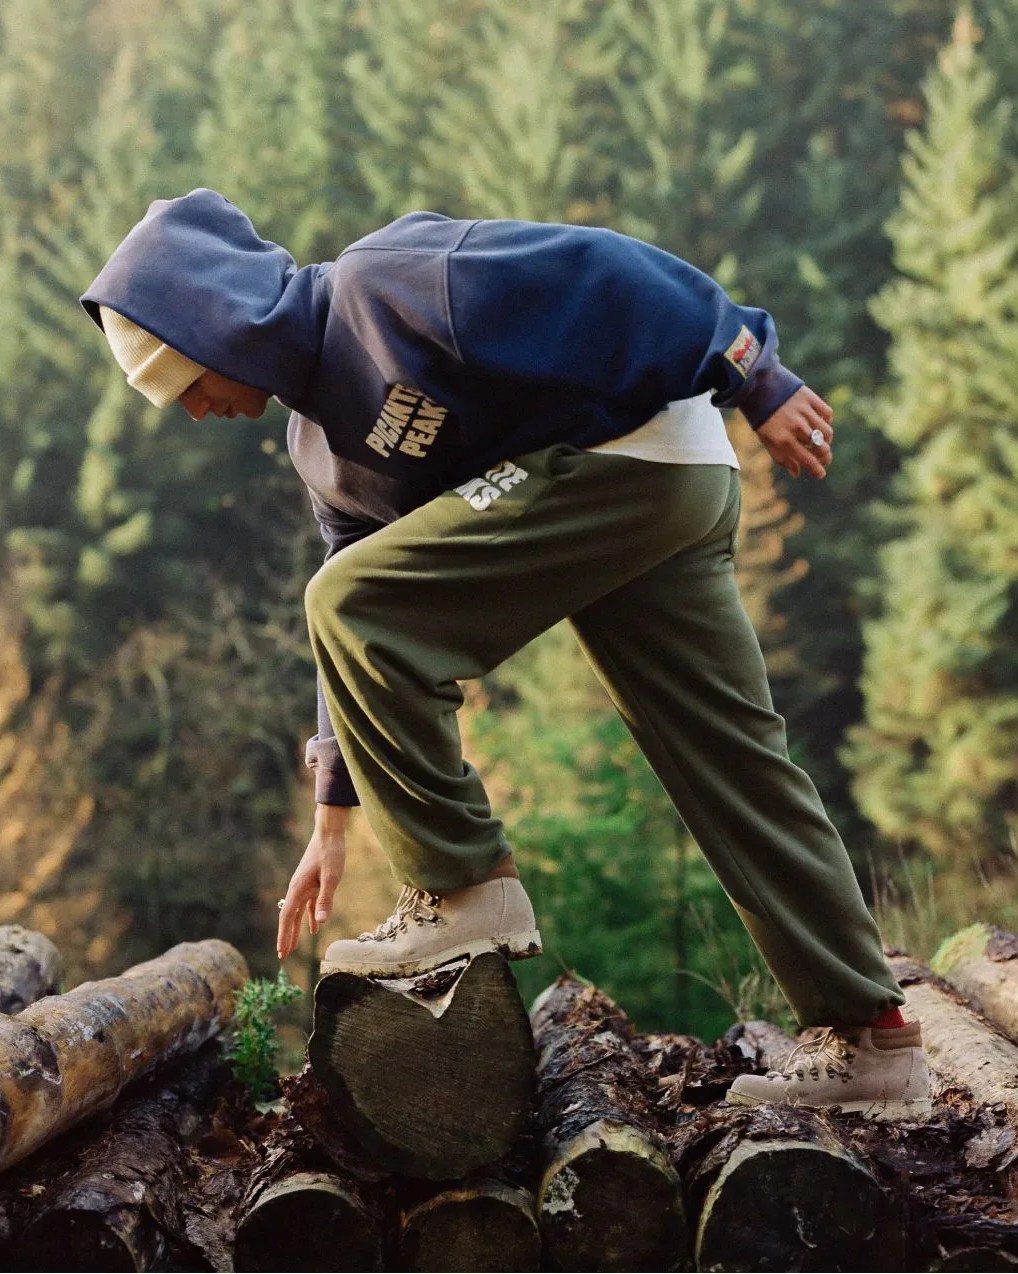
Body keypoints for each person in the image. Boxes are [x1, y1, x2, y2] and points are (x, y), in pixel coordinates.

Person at [82, 189, 930, 1120]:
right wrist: (332, 817)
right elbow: (358, 595)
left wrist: (753, 369)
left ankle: (460, 885)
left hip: (635, 450)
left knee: (351, 601)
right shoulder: (321, 448)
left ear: (217, 325)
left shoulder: (388, 286)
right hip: (647, 500)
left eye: (181, 382)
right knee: (733, 760)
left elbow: (611, 273)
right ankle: (871, 1035)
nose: (193, 411)